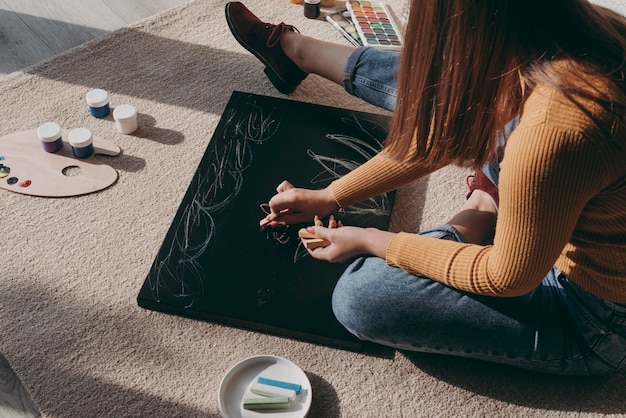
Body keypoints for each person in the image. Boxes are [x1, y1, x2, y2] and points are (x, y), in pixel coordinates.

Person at [226, 0, 626, 376]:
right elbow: (449, 126)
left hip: (595, 317)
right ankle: (298, 51)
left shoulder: (551, 134)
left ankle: (480, 212)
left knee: (359, 298)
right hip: (561, 175)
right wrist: (332, 195)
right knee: (441, 87)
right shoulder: (590, 30)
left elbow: (507, 276)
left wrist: (371, 239)